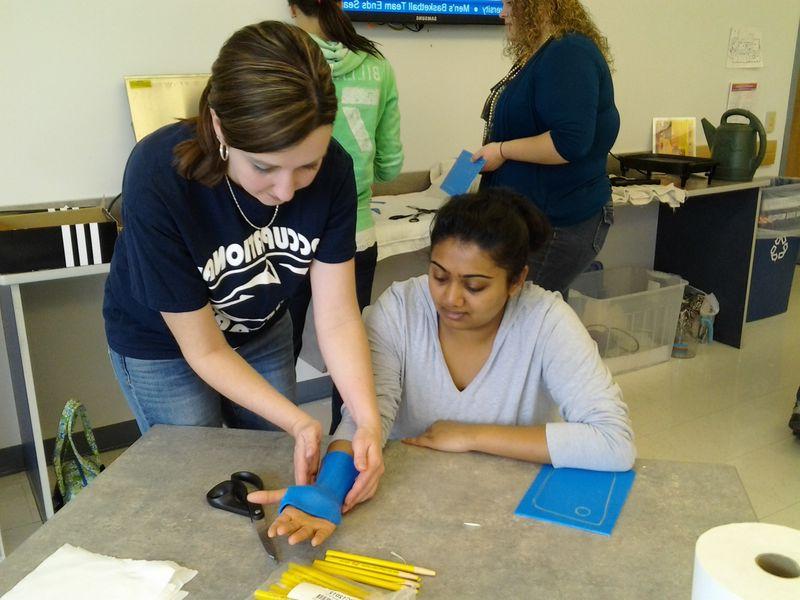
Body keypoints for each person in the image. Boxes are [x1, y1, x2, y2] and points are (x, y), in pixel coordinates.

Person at [250, 188, 635, 546]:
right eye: (439, 276)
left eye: (475, 286)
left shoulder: (547, 320)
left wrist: (470, 435)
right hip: (408, 501)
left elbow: (614, 442)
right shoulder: (400, 309)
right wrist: (329, 490)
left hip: (506, 510)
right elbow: (368, 418)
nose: (451, 298)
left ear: (517, 281)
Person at [103, 21, 383, 510]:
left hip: (260, 327)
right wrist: (299, 419)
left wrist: (367, 419)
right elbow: (205, 350)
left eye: (307, 166)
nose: (287, 191)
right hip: (164, 345)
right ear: (218, 125)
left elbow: (338, 315)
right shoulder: (157, 173)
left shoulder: (336, 169)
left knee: (277, 461)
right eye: (264, 167)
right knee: (200, 476)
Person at [287, 0, 404, 434]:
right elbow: (390, 166)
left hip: (289, 234)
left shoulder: (289, 58)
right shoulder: (378, 64)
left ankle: (280, 444)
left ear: (293, 6)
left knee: (281, 346)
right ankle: (348, 439)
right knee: (351, 344)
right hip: (356, 229)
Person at [473, 0, 620, 298]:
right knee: (530, 321)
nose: (503, 13)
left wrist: (501, 151)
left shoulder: (569, 53)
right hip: (532, 218)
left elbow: (569, 143)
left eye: (509, 4)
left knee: (520, 319)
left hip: (558, 222)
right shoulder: (543, 53)